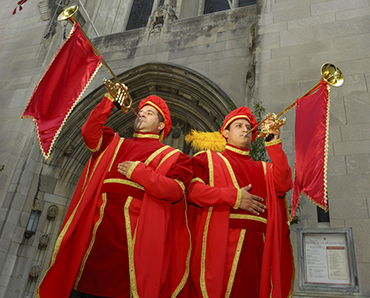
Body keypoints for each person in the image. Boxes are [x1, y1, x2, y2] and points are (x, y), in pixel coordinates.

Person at [36, 90, 193, 298]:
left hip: (135, 240)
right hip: (97, 235)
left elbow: (174, 191)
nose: (142, 114)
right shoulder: (115, 143)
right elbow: (89, 132)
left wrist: (138, 173)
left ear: (162, 125)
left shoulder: (176, 157)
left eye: (150, 113)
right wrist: (109, 100)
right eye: (141, 111)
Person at [186, 106, 294, 298]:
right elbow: (193, 192)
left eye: (248, 127)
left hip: (259, 248)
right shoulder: (208, 158)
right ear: (225, 132)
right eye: (238, 125)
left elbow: (284, 184)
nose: (245, 129)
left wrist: (274, 143)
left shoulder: (264, 169)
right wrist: (234, 198)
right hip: (221, 241)